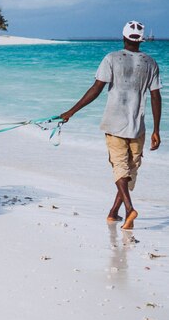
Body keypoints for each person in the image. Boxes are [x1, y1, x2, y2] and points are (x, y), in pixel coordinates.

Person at [60, 20, 162, 230]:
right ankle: (114, 213)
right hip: (137, 127)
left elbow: (96, 88)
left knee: (120, 169)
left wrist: (72, 111)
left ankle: (128, 210)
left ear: (123, 37)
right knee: (129, 172)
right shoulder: (151, 63)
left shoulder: (112, 58)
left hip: (114, 123)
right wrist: (156, 130)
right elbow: (156, 96)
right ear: (141, 40)